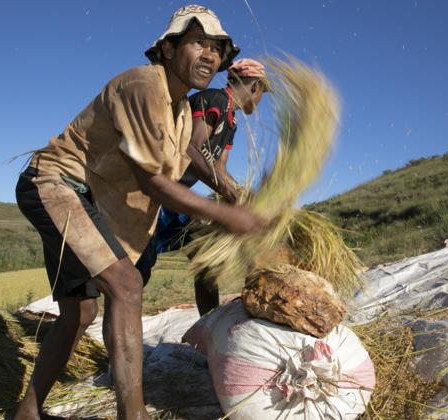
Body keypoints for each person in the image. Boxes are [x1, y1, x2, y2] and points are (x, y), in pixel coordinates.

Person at [13, 5, 264, 419]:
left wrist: (229, 189)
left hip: (89, 201)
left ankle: (27, 413)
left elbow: (189, 152)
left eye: (217, 49)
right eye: (198, 42)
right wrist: (225, 215)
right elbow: (154, 181)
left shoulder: (181, 110)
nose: (209, 55)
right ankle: (134, 414)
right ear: (167, 49)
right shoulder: (142, 85)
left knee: (81, 312)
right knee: (126, 285)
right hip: (54, 184)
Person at [134, 58, 269, 316]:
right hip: (157, 192)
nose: (261, 100)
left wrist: (243, 195)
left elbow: (218, 168)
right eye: (262, 92)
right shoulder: (215, 100)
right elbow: (190, 148)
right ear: (254, 87)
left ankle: (210, 325)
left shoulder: (231, 121)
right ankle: (122, 324)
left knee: (206, 259)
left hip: (176, 199)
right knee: (138, 269)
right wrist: (229, 194)